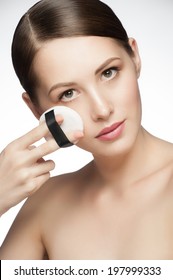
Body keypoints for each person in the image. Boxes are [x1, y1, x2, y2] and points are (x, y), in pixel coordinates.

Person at [0, 0, 173, 260]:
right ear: (36, 109)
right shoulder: (47, 203)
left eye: (108, 72)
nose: (102, 109)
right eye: (68, 93)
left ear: (134, 56)